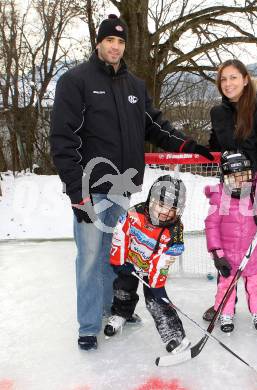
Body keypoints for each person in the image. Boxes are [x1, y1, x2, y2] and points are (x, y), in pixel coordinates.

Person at [50, 14, 213, 351]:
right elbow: (63, 140)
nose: (115, 46)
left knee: (118, 256)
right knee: (90, 259)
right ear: (99, 42)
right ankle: (88, 326)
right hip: (91, 191)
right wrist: (77, 194)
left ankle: (114, 309)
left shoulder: (134, 86)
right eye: (110, 40)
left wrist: (188, 145)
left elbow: (156, 126)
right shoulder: (76, 81)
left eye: (121, 41)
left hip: (123, 190)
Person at [203, 59, 257, 325]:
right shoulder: (218, 113)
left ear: (245, 79)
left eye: (233, 78)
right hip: (231, 191)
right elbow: (215, 147)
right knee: (229, 247)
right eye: (223, 79)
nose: (228, 84)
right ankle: (225, 304)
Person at [104, 175, 191, 353]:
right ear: (151, 200)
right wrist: (119, 262)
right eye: (161, 205)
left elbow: (163, 259)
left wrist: (156, 284)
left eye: (172, 209)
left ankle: (173, 334)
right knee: (123, 288)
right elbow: (120, 236)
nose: (165, 212)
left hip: (152, 267)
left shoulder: (174, 231)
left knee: (156, 301)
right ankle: (121, 314)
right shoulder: (133, 214)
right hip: (129, 260)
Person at [204, 151, 257, 332]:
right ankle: (226, 313)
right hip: (228, 256)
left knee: (255, 286)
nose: (241, 181)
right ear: (225, 178)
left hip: (253, 254)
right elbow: (211, 227)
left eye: (243, 176)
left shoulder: (255, 194)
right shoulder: (219, 197)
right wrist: (217, 254)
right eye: (235, 178)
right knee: (226, 286)